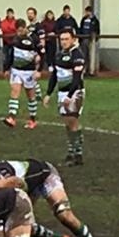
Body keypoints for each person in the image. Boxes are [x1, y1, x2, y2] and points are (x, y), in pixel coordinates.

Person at [43, 29, 86, 166]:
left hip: (75, 92)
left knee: (72, 120)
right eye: (62, 39)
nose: (64, 42)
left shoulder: (77, 55)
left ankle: (72, 153)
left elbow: (77, 78)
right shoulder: (59, 55)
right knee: (68, 123)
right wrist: (48, 93)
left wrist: (69, 95)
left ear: (73, 39)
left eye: (67, 39)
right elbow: (54, 76)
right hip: (62, 92)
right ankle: (77, 150)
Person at [3, 19, 42, 129]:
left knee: (30, 96)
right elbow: (11, 54)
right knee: (14, 91)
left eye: (21, 30)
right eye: (18, 31)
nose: (19, 33)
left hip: (29, 71)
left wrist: (38, 70)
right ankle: (11, 117)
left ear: (25, 28)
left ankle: (32, 119)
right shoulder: (15, 39)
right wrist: (6, 68)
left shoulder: (33, 38)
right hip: (16, 70)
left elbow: (42, 53)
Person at [79, 6, 100, 76]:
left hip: (91, 40)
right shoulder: (83, 19)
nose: (87, 13)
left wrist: (95, 38)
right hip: (83, 39)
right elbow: (80, 29)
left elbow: (97, 30)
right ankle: (84, 70)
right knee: (84, 55)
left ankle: (91, 71)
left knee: (91, 55)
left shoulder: (95, 20)